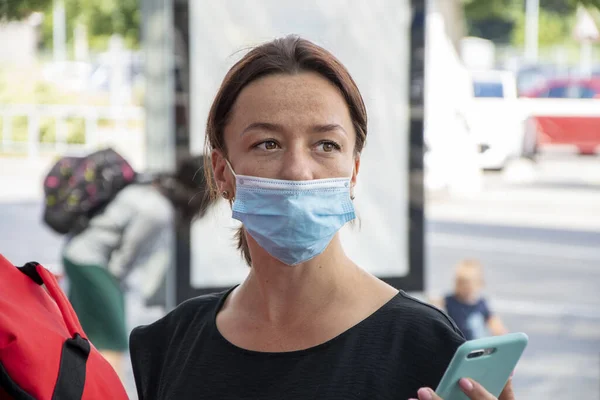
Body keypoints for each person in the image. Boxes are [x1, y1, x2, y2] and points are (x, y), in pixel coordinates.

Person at [129, 36, 516, 400]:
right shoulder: (169, 344)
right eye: (267, 144)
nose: (299, 170)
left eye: (326, 145)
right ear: (222, 172)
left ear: (353, 172)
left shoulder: (426, 346)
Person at [62, 155, 212, 380]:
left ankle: (79, 387)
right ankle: (108, 394)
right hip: (92, 263)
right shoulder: (158, 211)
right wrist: (114, 294)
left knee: (81, 332)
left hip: (79, 255)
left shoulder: (151, 187)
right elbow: (124, 258)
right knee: (113, 340)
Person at [432, 259, 508, 341]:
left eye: (469, 285)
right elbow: (435, 308)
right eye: (460, 283)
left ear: (480, 284)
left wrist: (499, 331)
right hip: (457, 343)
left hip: (477, 344)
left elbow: (493, 320)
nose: (465, 288)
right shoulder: (449, 300)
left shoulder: (481, 303)